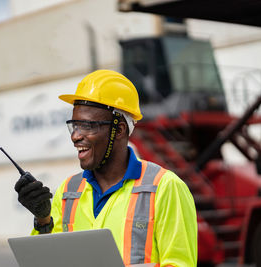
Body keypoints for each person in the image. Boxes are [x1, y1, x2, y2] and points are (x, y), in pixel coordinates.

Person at [15, 70, 197, 266]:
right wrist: (43, 220)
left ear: (119, 130)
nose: (75, 136)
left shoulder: (165, 188)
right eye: (74, 125)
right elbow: (48, 261)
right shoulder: (68, 191)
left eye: (87, 126)